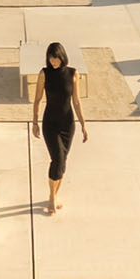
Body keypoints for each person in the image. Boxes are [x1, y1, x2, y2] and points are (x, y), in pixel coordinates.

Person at [31, 41, 88, 214]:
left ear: (62, 57)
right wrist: (34, 122)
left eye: (56, 58)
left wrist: (84, 125)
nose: (53, 62)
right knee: (57, 159)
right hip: (50, 123)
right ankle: (52, 196)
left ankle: (54, 194)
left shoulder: (73, 73)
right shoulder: (44, 73)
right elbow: (38, 99)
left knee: (62, 162)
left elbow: (76, 102)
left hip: (67, 123)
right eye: (50, 58)